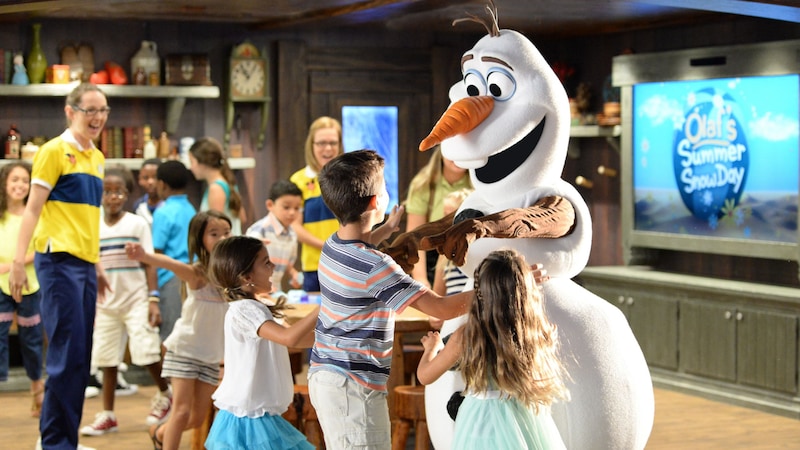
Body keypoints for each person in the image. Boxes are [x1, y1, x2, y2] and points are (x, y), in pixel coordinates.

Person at [307, 149, 472, 449]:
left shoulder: (333, 246)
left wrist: (388, 228)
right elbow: (440, 306)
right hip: (354, 389)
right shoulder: (375, 265)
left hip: (326, 376)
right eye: (384, 188)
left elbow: (361, 242)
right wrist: (500, 286)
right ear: (375, 201)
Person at [8, 82, 111, 450]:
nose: (97, 117)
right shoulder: (53, 151)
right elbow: (32, 209)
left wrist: (97, 265)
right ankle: (54, 443)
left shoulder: (97, 157)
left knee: (80, 361)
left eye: (103, 110)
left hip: (84, 265)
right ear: (70, 112)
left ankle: (64, 438)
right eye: (90, 110)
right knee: (66, 356)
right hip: (57, 262)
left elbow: (90, 218)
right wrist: (19, 262)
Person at [416, 248, 568, 450]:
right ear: (525, 292)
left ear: (479, 293)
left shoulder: (467, 335)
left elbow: (425, 376)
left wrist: (431, 348)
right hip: (524, 416)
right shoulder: (534, 331)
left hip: (480, 419)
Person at [79, 166, 172, 437]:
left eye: (118, 191)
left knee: (147, 351)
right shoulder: (92, 224)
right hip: (105, 304)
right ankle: (108, 415)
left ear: (127, 194)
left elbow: (150, 264)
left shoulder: (137, 224)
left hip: (136, 300)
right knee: (106, 359)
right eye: (107, 192)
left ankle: (167, 394)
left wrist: (153, 300)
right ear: (100, 194)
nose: (113, 197)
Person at [126, 210, 231, 450]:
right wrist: (145, 256)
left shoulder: (230, 277)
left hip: (210, 357)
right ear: (200, 240)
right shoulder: (198, 274)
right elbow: (171, 264)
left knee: (196, 418)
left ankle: (160, 433)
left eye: (226, 232)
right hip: (184, 350)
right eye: (214, 234)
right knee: (181, 412)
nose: (223, 238)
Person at [204, 236, 319, 450]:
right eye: (266, 262)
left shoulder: (254, 306)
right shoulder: (245, 310)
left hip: (257, 415)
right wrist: (323, 306)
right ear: (246, 276)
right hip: (247, 419)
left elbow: (293, 339)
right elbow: (289, 337)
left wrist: (335, 336)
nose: (273, 266)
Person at [0, 161, 44, 418]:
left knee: (32, 340)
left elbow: (40, 247)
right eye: (14, 180)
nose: (19, 185)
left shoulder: (35, 213)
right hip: (1, 286)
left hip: (31, 285)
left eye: (25, 181)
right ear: (4, 183)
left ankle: (37, 389)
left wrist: (16, 264)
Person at [404, 147, 472, 288]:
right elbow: (415, 239)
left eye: (464, 151)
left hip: (468, 257)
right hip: (433, 258)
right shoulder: (423, 185)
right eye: (453, 150)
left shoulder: (479, 185)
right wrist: (421, 280)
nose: (458, 157)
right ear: (443, 150)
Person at [289, 116, 343, 292]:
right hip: (315, 265)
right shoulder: (298, 181)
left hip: (346, 263)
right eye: (321, 143)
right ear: (311, 146)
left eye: (333, 143)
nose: (327, 148)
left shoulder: (349, 178)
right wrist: (327, 246)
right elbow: (295, 226)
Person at [151, 160, 197, 343]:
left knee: (170, 338)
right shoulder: (191, 209)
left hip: (170, 278)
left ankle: (170, 373)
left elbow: (156, 252)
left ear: (161, 184)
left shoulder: (163, 212)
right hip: (191, 274)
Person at [245, 180, 304, 292]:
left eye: (297, 208)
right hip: (256, 293)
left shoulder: (292, 234)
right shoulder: (259, 231)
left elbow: (287, 265)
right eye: (286, 207)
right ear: (270, 205)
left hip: (275, 292)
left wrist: (294, 275)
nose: (292, 212)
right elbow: (245, 267)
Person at [189, 137, 245, 235]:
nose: (191, 167)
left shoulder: (216, 189)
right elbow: (243, 218)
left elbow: (216, 229)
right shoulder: (228, 183)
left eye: (192, 162)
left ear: (202, 163)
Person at [132, 158, 163, 226]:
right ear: (139, 180)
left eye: (155, 177)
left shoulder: (168, 205)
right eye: (145, 178)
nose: (150, 182)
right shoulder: (138, 205)